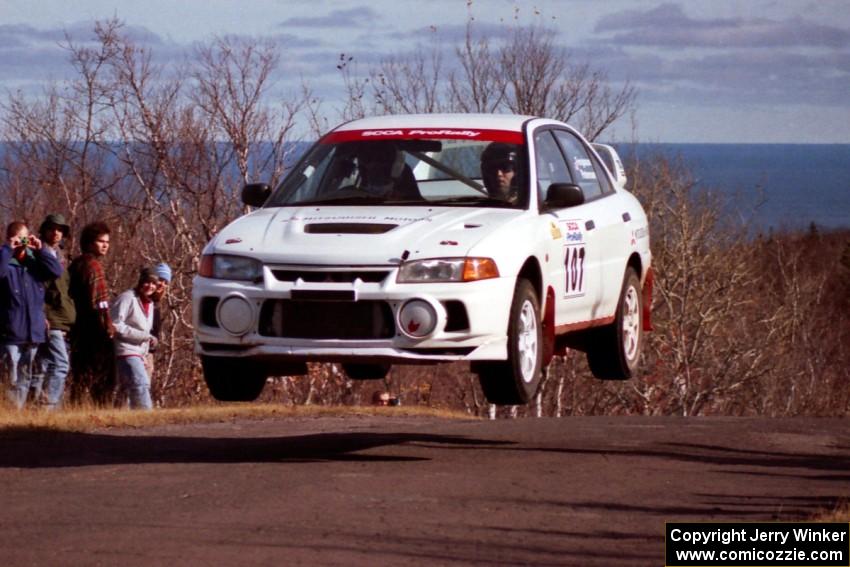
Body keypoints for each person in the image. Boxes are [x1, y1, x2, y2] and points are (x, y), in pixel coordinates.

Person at [0, 221, 62, 408]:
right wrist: (7, 249)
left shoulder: (34, 264)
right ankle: (9, 415)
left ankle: (18, 416)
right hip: (11, 332)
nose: (22, 242)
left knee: (26, 377)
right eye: (18, 238)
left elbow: (56, 271)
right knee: (11, 377)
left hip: (33, 331)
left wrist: (41, 249)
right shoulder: (5, 262)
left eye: (25, 238)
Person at [68, 221, 115, 406]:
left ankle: (75, 409)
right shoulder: (93, 266)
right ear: (89, 243)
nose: (105, 245)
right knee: (104, 377)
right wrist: (107, 325)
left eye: (107, 242)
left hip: (78, 328)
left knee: (80, 375)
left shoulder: (75, 265)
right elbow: (99, 302)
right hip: (94, 328)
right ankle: (102, 410)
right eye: (101, 241)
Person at [37, 214, 76, 410]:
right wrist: (42, 315)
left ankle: (38, 409)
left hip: (62, 319)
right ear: (44, 229)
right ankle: (48, 407)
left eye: (60, 230)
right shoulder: (36, 252)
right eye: (52, 228)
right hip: (48, 318)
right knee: (60, 364)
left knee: (43, 365)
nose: (56, 233)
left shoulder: (62, 256)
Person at [111, 267, 159, 410]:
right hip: (125, 350)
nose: (150, 286)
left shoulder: (150, 304)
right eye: (147, 282)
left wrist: (146, 347)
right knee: (140, 383)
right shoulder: (127, 297)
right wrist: (145, 336)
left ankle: (124, 418)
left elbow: (145, 331)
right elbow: (115, 324)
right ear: (140, 282)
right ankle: (146, 417)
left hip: (139, 352)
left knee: (127, 389)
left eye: (153, 283)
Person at [144, 262, 171, 379]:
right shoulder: (143, 301)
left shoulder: (156, 305)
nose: (162, 285)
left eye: (166, 282)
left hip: (149, 353)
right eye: (160, 280)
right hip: (141, 353)